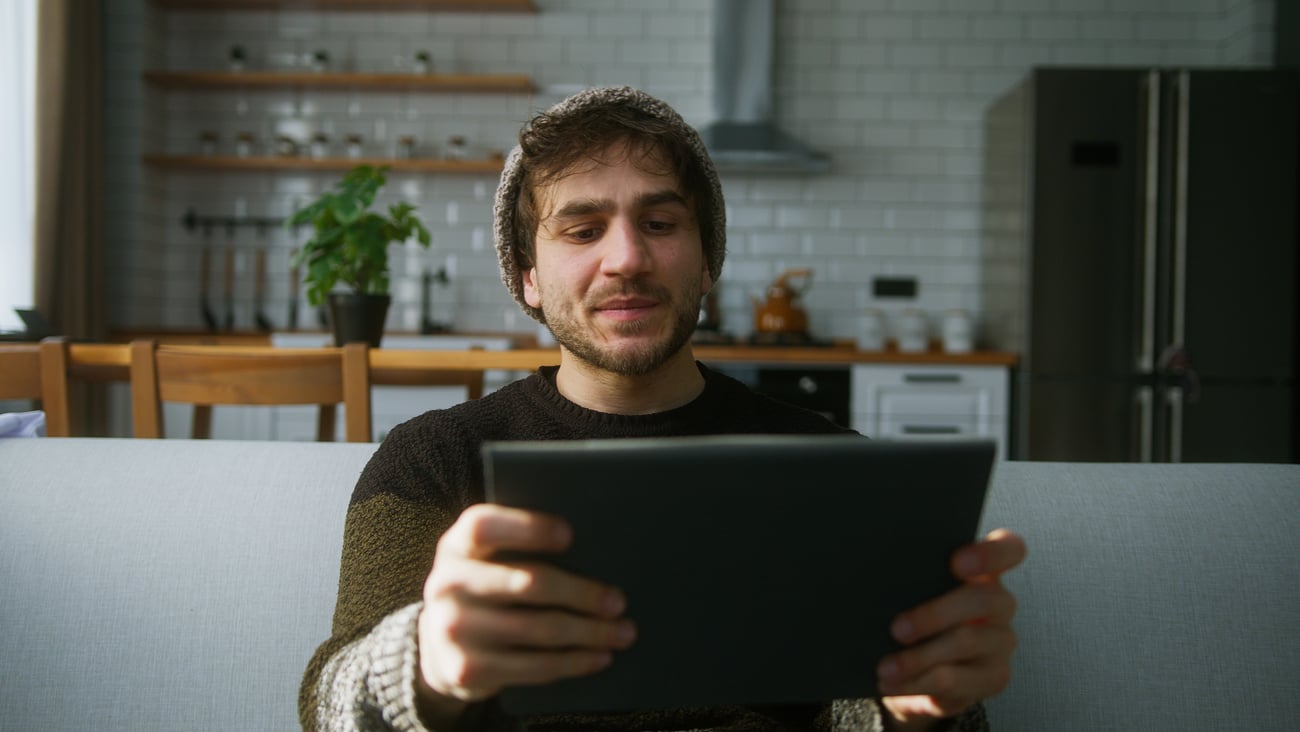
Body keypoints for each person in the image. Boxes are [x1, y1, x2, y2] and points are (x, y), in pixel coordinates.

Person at [300, 86, 1026, 732]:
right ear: (526, 275)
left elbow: (879, 710)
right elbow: (329, 705)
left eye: (660, 223)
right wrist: (428, 661)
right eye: (583, 230)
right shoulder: (434, 460)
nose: (626, 259)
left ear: (707, 257)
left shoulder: (835, 468)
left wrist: (917, 707)